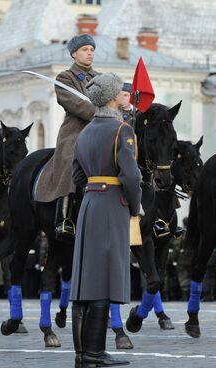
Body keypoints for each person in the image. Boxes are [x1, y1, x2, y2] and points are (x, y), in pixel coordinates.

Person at [69, 72, 145, 368]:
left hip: (89, 203)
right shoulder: (121, 130)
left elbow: (76, 176)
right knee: (104, 278)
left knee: (87, 279)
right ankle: (96, 353)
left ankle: (83, 354)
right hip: (113, 203)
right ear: (114, 96)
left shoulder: (84, 132)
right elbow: (131, 176)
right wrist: (135, 207)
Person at [35, 34, 99, 240]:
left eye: (91, 49)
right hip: (76, 130)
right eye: (85, 50)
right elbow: (74, 104)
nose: (89, 53)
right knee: (69, 157)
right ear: (74, 54)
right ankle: (65, 216)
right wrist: (100, 113)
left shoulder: (101, 78)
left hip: (101, 129)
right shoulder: (65, 78)